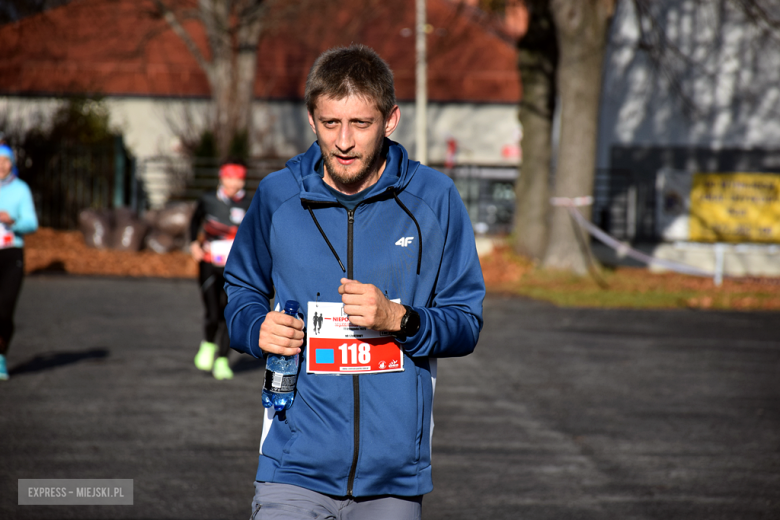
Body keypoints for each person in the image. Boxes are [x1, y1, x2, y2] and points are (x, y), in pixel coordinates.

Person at [224, 44, 485, 519]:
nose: (343, 141)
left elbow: (466, 321)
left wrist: (400, 319)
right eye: (330, 123)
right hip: (292, 465)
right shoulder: (278, 196)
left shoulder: (435, 198)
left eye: (360, 124)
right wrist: (252, 327)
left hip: (392, 479)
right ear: (311, 120)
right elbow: (240, 288)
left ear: (390, 121)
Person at [189, 159, 251, 380]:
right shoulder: (208, 200)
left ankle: (223, 359)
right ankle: (208, 344)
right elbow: (194, 221)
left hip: (235, 268)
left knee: (229, 313)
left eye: (239, 178)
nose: (235, 182)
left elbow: (255, 233)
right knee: (213, 312)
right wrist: (194, 244)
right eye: (230, 177)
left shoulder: (249, 203)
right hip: (208, 264)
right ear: (222, 178)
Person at [0, 144, 38, 381]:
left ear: (12, 163)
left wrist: (12, 220)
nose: (1, 165)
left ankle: (0, 354)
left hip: (11, 253)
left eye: (5, 161)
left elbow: (32, 223)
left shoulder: (21, 190)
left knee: (4, 309)